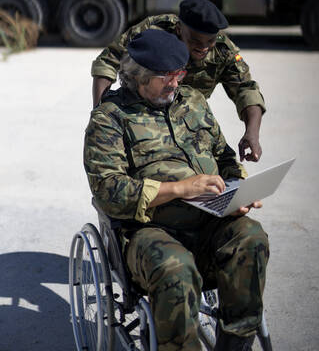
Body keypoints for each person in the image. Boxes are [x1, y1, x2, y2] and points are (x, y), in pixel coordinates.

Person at [84, 29, 269, 351]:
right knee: (175, 268)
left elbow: (223, 155)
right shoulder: (109, 118)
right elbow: (108, 191)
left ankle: (235, 345)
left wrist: (239, 189)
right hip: (151, 230)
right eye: (165, 76)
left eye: (179, 73)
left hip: (212, 219)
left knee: (251, 238)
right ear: (137, 76)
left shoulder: (193, 101)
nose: (175, 82)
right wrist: (180, 188)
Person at [91, 0, 266, 163]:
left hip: (185, 121)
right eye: (196, 41)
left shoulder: (223, 50)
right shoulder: (152, 32)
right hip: (140, 117)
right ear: (179, 30)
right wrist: (101, 115)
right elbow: (107, 61)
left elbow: (246, 89)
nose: (204, 47)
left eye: (210, 41)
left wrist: (252, 133)